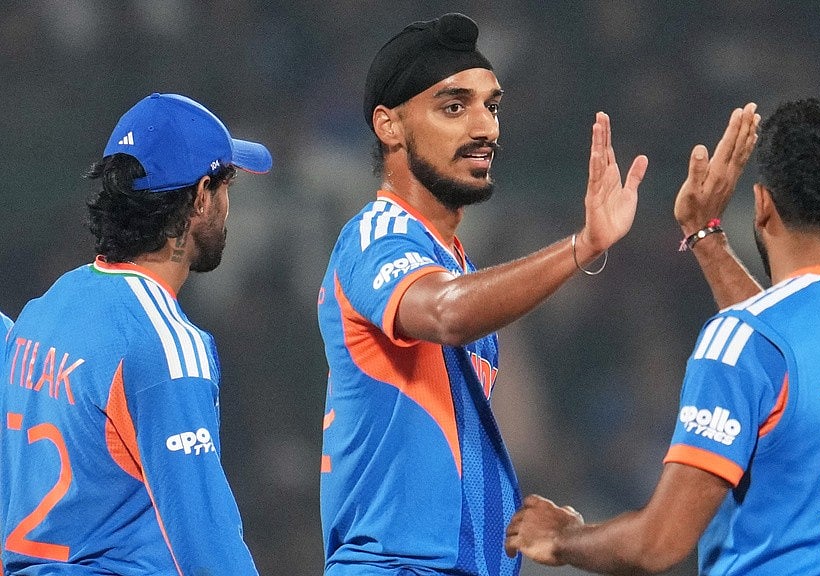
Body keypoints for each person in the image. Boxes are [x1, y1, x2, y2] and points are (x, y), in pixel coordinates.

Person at [505, 98, 820, 575]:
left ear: (761, 206)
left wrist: (561, 538)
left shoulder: (743, 343)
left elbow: (657, 544)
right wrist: (704, 235)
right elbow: (794, 352)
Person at [316, 12, 647, 576]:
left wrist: (512, 521)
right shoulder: (377, 235)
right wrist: (582, 245)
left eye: (490, 106)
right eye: (454, 106)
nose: (485, 128)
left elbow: (441, 453)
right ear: (389, 126)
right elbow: (446, 314)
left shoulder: (452, 261)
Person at [0, 92, 272, 575]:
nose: (229, 208)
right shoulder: (164, 344)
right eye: (227, 186)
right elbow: (208, 548)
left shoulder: (50, 307)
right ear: (202, 196)